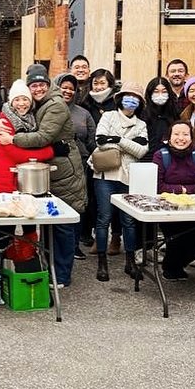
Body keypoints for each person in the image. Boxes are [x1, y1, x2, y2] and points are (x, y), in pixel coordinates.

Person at [0, 64, 86, 288]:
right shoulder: (39, 104)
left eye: (41, 84)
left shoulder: (55, 105)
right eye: (33, 85)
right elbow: (14, 111)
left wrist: (12, 139)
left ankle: (62, 275)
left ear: (49, 84)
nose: (37, 89)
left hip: (64, 170)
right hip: (49, 169)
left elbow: (43, 136)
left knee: (62, 223)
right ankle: (47, 267)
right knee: (48, 223)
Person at [89, 82, 149, 282]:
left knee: (129, 221)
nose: (131, 100)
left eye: (136, 98)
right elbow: (100, 142)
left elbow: (142, 151)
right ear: (120, 98)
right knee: (103, 218)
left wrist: (117, 139)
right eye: (127, 96)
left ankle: (130, 262)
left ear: (140, 103)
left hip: (128, 177)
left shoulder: (142, 124)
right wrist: (130, 143)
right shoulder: (108, 116)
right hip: (105, 175)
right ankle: (102, 263)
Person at [153, 122, 195, 281]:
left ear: (191, 138)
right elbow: (158, 185)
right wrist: (182, 189)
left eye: (185, 134)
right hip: (170, 207)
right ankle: (170, 268)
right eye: (176, 134)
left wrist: (183, 189)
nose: (180, 138)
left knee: (194, 248)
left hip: (194, 207)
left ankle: (177, 266)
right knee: (175, 241)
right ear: (169, 138)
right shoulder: (161, 156)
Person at [57, 73, 96, 259]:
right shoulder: (48, 110)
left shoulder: (83, 113)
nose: (67, 91)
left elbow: (92, 140)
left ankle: (74, 245)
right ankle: (56, 247)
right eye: (64, 87)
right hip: (56, 165)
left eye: (71, 88)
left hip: (80, 164)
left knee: (78, 205)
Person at [82, 68, 120, 255]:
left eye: (102, 83)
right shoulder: (86, 103)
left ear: (110, 84)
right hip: (94, 156)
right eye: (95, 83)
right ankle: (99, 236)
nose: (98, 87)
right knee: (97, 199)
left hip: (116, 154)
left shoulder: (117, 103)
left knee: (118, 198)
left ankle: (116, 237)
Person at [142, 76, 179, 156]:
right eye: (156, 91)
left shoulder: (175, 112)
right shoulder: (142, 114)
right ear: (150, 93)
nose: (160, 95)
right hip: (146, 158)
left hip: (169, 158)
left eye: (164, 91)